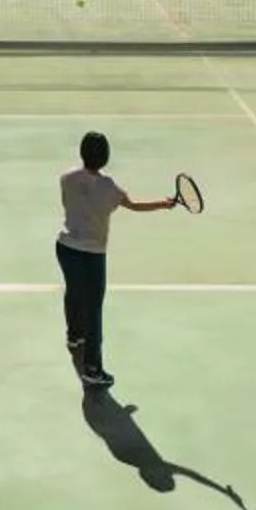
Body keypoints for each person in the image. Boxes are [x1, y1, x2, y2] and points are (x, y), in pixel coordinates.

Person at [56, 130, 178, 390]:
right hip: (92, 255)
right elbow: (133, 205)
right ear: (105, 158)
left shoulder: (66, 178)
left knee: (73, 293)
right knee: (94, 309)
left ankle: (74, 336)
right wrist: (164, 204)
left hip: (65, 248)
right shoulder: (110, 188)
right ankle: (92, 369)